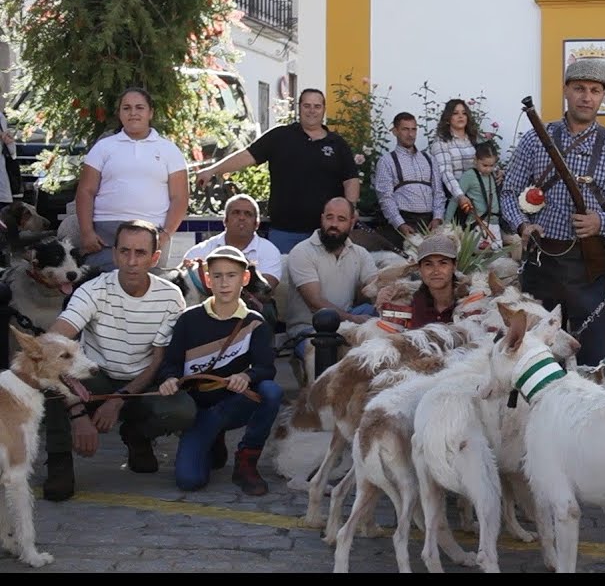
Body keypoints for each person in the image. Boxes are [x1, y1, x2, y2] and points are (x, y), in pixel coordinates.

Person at [500, 57, 605, 373]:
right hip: (541, 266)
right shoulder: (535, 139)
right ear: (566, 90)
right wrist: (522, 224)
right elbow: (509, 193)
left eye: (595, 90)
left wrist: (601, 222)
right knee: (533, 358)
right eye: (579, 88)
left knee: (594, 360)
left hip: (589, 272)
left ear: (603, 96)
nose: (586, 96)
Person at [40, 220, 193, 501]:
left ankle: (137, 435)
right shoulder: (92, 290)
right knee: (50, 379)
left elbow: (158, 360)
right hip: (96, 375)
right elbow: (53, 340)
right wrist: (77, 413)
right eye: (124, 251)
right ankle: (59, 461)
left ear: (155, 258)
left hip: (143, 379)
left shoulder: (171, 297)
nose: (131, 261)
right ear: (114, 254)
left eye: (140, 253)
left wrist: (118, 400)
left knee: (182, 409)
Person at [158, 245, 283, 495]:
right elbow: (170, 363)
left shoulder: (255, 322)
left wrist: (247, 376)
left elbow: (265, 368)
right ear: (207, 279)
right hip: (199, 410)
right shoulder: (188, 319)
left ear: (245, 278)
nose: (224, 283)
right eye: (217, 276)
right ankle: (211, 440)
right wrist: (169, 379)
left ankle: (247, 461)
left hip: (235, 405)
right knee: (189, 481)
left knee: (271, 391)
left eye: (231, 275)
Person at [195, 89, 360, 254]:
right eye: (307, 105)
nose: (311, 110)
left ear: (323, 109)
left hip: (323, 234)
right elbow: (246, 156)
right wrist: (212, 170)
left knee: (323, 279)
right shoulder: (280, 136)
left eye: (317, 106)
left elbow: (351, 180)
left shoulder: (338, 144)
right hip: (284, 231)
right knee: (281, 278)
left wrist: (350, 210)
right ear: (299, 108)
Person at [76, 87, 189, 270]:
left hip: (152, 235)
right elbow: (85, 191)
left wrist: (166, 235)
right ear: (119, 113)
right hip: (105, 237)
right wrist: (87, 232)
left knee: (144, 294)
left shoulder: (169, 150)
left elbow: (180, 198)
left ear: (150, 112)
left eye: (139, 107)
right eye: (126, 108)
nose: (133, 113)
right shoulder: (103, 148)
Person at [284, 198, 380, 358]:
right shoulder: (302, 252)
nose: (334, 224)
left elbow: (377, 286)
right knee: (323, 353)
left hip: (347, 319)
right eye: (329, 217)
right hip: (310, 329)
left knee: (381, 314)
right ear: (322, 218)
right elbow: (315, 304)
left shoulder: (360, 253)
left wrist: (385, 296)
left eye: (341, 219)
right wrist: (353, 319)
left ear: (352, 222)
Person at [373, 111, 445, 249]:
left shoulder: (429, 159)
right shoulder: (387, 161)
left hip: (430, 222)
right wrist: (400, 224)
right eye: (405, 129)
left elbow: (438, 192)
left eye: (413, 129)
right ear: (395, 131)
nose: (410, 134)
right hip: (404, 220)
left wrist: (437, 218)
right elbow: (385, 197)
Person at [376, 232, 460, 329]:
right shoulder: (408, 302)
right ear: (420, 269)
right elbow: (391, 335)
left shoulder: (470, 304)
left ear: (454, 266)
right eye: (428, 264)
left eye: (443, 263)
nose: (436, 271)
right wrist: (383, 308)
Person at [431, 99, 482, 218]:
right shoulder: (441, 142)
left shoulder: (475, 139)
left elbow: (486, 161)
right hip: (457, 200)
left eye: (464, 113)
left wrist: (497, 172)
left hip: (479, 196)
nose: (460, 116)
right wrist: (460, 196)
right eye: (455, 113)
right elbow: (445, 173)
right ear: (448, 118)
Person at [444, 140, 501, 242]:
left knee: (496, 253)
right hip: (476, 225)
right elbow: (455, 199)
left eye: (492, 166)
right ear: (475, 160)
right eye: (485, 165)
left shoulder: (494, 174)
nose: (488, 169)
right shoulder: (469, 175)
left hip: (495, 224)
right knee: (482, 255)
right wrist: (446, 225)